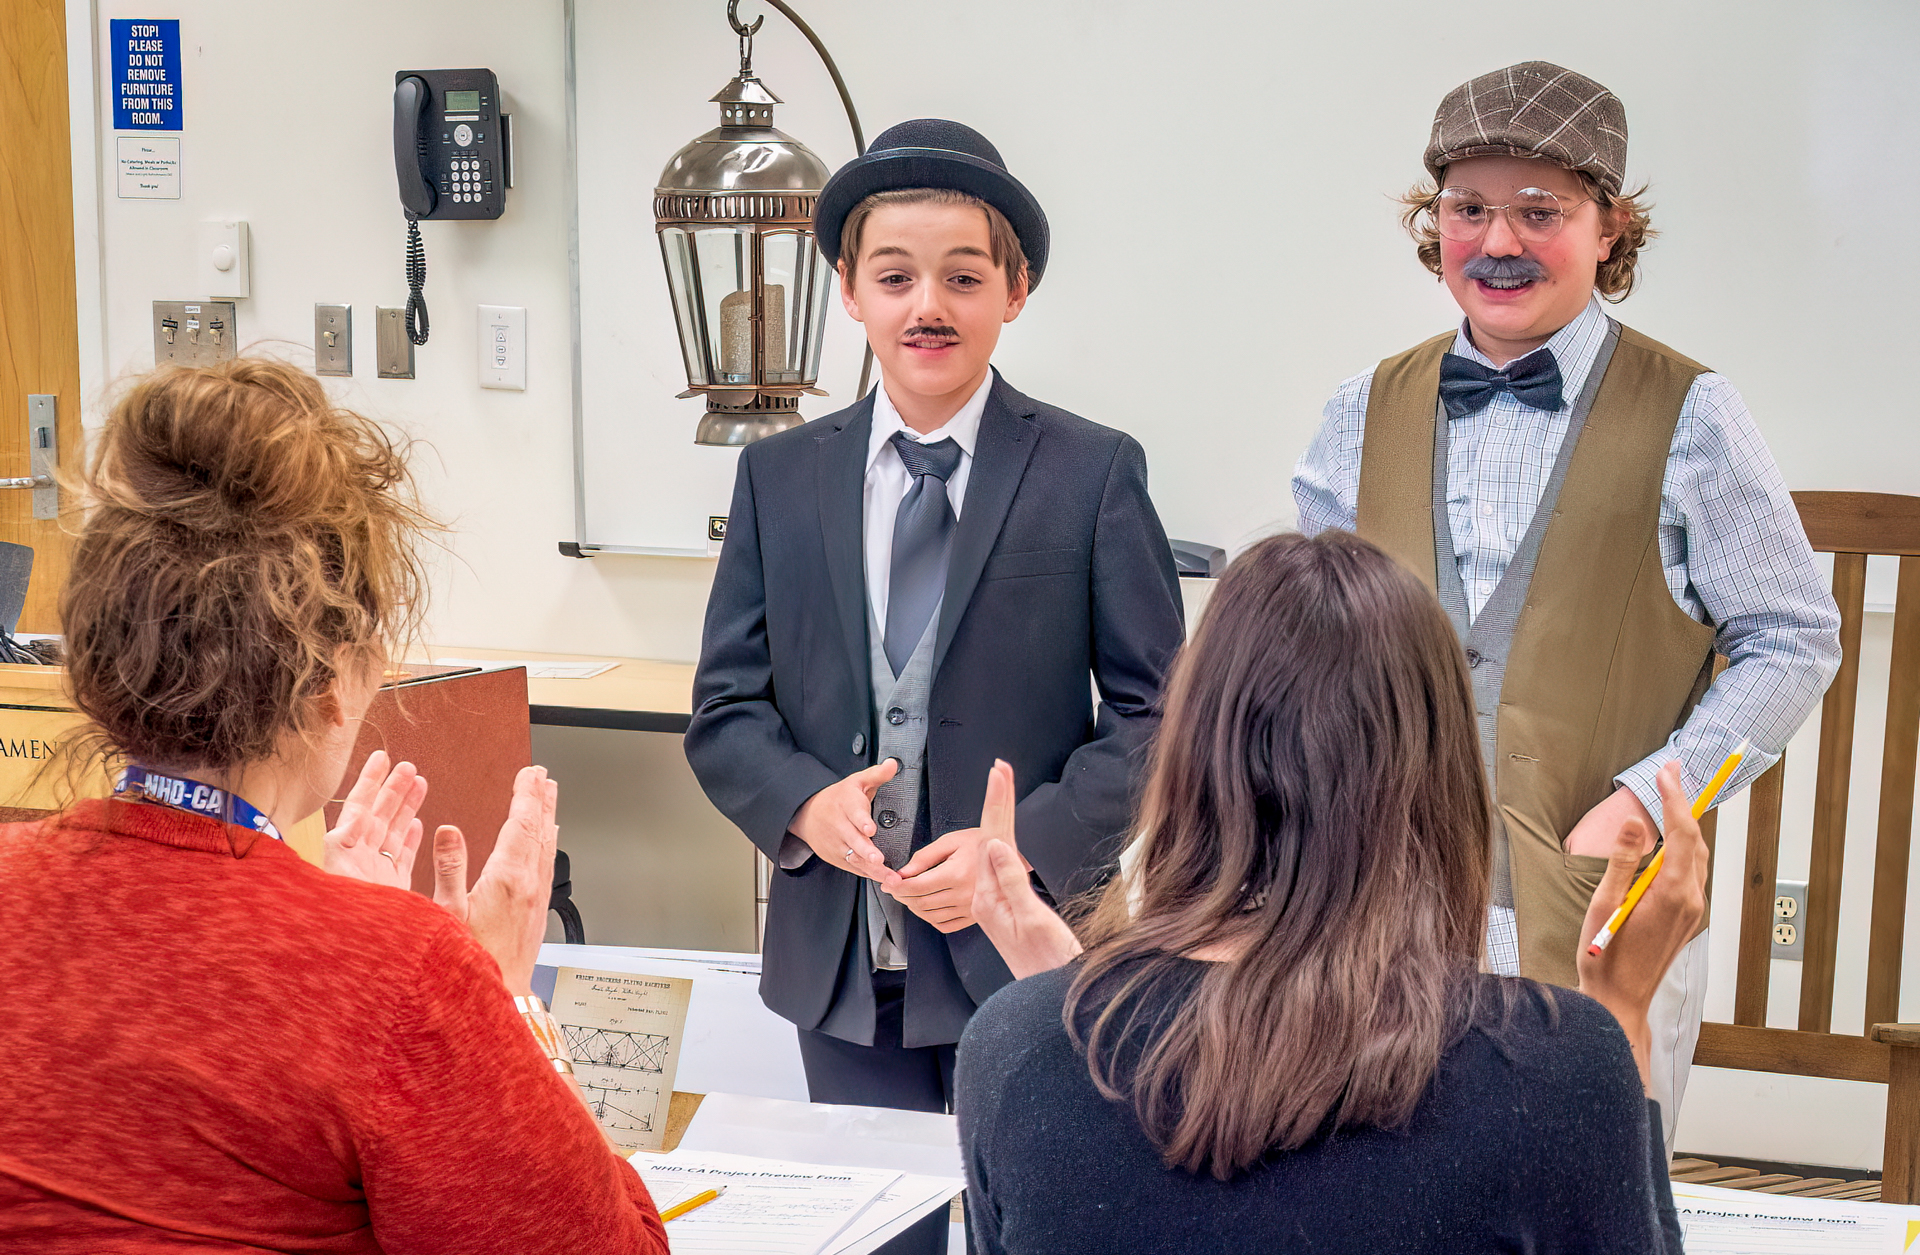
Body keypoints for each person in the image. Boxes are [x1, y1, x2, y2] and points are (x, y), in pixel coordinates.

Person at [0, 359, 667, 1253]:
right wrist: (501, 1001)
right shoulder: (402, 970)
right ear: (329, 686)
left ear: (94, 663)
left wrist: (344, 930)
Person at [1290, 61, 1840, 1140]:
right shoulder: (1359, 413)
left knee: (1590, 1203)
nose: (1499, 242)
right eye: (1470, 208)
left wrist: (1649, 797)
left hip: (1602, 911)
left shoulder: (1695, 415)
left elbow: (1792, 634)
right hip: (1376, 916)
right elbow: (1304, 650)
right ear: (1433, 222)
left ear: (1610, 229)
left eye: (1541, 211)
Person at [685, 116, 1183, 1252]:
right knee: (878, 1234)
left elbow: (1163, 720)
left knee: (1041, 1223)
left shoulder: (1093, 472)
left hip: (1027, 943)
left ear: (1015, 292)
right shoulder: (777, 477)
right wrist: (802, 802)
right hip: (842, 958)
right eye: (895, 276)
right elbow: (726, 710)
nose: (928, 306)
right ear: (849, 293)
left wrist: (1028, 849)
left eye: (963, 277)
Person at [957, 531, 1701, 1254]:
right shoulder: (1558, 1069)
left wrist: (1067, 1002)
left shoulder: (1009, 1046)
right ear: (1439, 779)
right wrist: (1625, 1013)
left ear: (1190, 759)